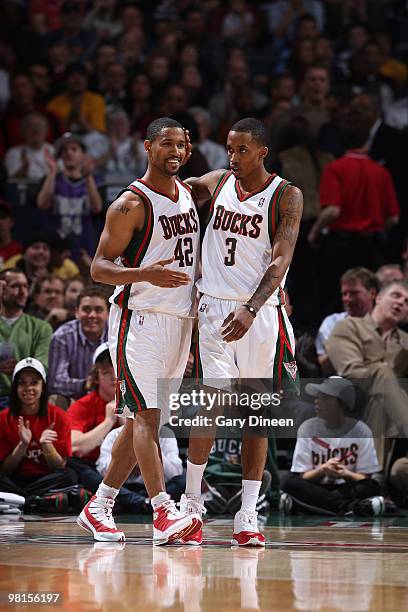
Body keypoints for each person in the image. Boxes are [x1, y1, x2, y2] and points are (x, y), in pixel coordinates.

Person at [77, 117, 202, 545]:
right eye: (166, 143)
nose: (175, 152)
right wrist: (143, 272)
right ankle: (163, 512)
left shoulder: (188, 193)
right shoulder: (129, 204)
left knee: (138, 424)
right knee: (147, 417)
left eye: (182, 145)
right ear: (147, 147)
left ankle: (99, 506)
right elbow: (98, 267)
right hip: (140, 319)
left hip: (179, 321)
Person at [179, 117, 303, 546]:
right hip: (214, 307)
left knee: (256, 415)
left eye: (242, 150)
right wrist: (175, 156)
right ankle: (191, 505)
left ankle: (247, 513)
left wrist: (252, 307)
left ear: (262, 151)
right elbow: (177, 186)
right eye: (229, 149)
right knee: (210, 401)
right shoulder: (216, 182)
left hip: (261, 312)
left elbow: (280, 259)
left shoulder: (286, 195)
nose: (233, 157)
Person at [326, 281, 408, 468]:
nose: (401, 302)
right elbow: (350, 372)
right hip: (354, 401)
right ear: (377, 297)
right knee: (382, 376)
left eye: (407, 301)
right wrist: (383, 375)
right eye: (396, 295)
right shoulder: (348, 327)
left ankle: (374, 479)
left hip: (391, 409)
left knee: (382, 401)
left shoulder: (406, 342)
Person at [280, 376, 383, 516]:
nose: (317, 401)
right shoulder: (307, 428)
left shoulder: (361, 430)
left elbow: (364, 477)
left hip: (344, 487)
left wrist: (345, 474)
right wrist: (323, 469)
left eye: (325, 398)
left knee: (372, 486)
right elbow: (303, 475)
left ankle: (307, 506)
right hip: (317, 485)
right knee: (287, 481)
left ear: (342, 403)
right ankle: (351, 507)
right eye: (317, 397)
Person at [0, 357, 76, 512]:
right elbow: (5, 471)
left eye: (34, 382)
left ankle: (20, 500)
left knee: (70, 475)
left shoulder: (59, 416)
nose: (28, 388)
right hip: (16, 478)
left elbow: (59, 466)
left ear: (43, 387)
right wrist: (22, 445)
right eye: (22, 382)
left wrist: (46, 446)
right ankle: (36, 501)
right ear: (15, 387)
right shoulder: (3, 418)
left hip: (45, 478)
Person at [48, 286, 109, 405]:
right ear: (76, 312)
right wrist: (86, 384)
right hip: (74, 399)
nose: (92, 315)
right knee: (55, 400)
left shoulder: (116, 335)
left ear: (108, 314)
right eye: (86, 309)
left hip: (111, 397)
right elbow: (55, 382)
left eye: (98, 310)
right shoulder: (63, 336)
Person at [0, 269, 52, 406]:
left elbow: (42, 366)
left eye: (25, 286)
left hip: (25, 398)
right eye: (16, 286)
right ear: (2, 289)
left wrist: (19, 368)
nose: (23, 292)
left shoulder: (41, 327)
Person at [315, 267, 378, 375]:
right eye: (344, 294)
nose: (347, 299)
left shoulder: (382, 322)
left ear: (372, 293)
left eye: (354, 293)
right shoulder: (332, 322)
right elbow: (325, 367)